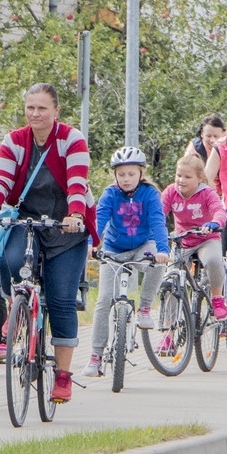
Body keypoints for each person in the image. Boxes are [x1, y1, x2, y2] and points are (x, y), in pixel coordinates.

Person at [0, 83, 91, 404]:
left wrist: (75, 213)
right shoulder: (14, 141)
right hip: (27, 222)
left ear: (56, 111)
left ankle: (64, 377)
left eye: (42, 108)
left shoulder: (72, 139)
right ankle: (20, 307)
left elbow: (77, 182)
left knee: (61, 300)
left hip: (66, 228)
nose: (35, 114)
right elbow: (0, 180)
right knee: (11, 261)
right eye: (30, 107)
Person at [84, 146, 170, 378]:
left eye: (131, 174)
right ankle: (96, 356)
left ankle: (144, 308)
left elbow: (157, 222)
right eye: (121, 174)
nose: (126, 179)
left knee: (158, 264)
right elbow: (99, 219)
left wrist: (162, 250)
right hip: (114, 249)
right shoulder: (110, 194)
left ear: (141, 173)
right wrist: (93, 243)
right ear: (115, 176)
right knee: (103, 300)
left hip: (144, 245)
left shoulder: (150, 194)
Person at [161, 153, 227, 322]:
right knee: (171, 279)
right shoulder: (171, 192)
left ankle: (217, 298)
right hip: (182, 241)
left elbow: (219, 211)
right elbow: (158, 213)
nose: (181, 180)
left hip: (206, 239)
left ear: (199, 178)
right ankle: (168, 330)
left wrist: (214, 223)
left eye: (187, 176)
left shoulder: (207, 193)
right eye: (178, 175)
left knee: (213, 260)